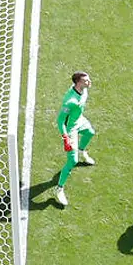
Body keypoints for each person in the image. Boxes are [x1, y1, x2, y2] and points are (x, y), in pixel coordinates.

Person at [53, 72, 95, 207]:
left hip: (80, 121)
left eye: (88, 79)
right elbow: (60, 121)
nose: (89, 82)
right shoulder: (70, 101)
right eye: (86, 81)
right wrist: (66, 137)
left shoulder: (84, 90)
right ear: (78, 83)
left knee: (90, 132)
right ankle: (59, 188)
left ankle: (82, 151)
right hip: (71, 129)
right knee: (73, 160)